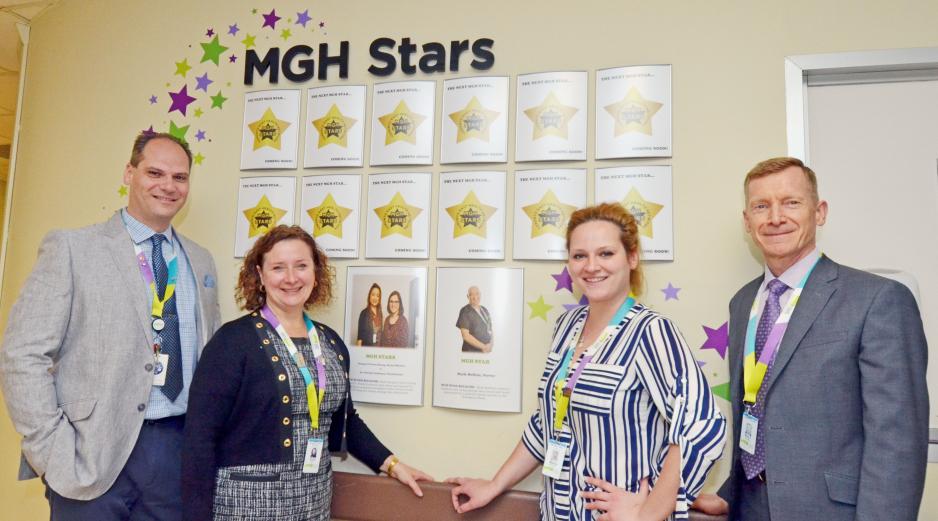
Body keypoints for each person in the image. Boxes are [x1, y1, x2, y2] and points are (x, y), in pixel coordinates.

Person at [447, 203, 725, 521]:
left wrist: (648, 514)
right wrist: (495, 484)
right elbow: (548, 423)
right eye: (580, 256)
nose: (591, 266)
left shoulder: (650, 331)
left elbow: (702, 425)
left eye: (606, 253)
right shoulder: (568, 327)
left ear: (631, 258)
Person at [692, 157, 929, 520]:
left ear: (819, 212)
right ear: (747, 221)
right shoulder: (743, 303)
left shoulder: (878, 300)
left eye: (791, 202)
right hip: (751, 509)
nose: (775, 217)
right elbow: (757, 412)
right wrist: (730, 494)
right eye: (761, 206)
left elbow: (896, 442)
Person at [0, 132, 221, 520]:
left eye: (180, 177)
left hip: (175, 454)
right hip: (90, 453)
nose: (168, 186)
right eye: (155, 172)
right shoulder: (73, 249)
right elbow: (22, 354)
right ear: (129, 173)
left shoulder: (200, 262)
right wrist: (50, 449)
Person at [181, 225, 432, 521]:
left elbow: (346, 421)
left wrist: (392, 464)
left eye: (301, 266)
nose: (290, 278)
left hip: (313, 503)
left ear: (315, 272)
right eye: (278, 267)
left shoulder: (330, 342)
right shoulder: (232, 342)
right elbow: (199, 440)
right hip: (246, 505)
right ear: (260, 275)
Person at [456, 286, 493, 353]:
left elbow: (490, 330)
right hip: (471, 351)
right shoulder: (465, 311)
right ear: (468, 296)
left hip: (486, 351)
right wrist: (483, 347)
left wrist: (490, 345)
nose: (475, 297)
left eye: (477, 294)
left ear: (480, 295)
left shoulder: (485, 310)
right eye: (471, 294)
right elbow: (465, 336)